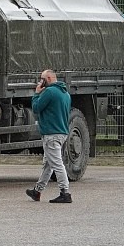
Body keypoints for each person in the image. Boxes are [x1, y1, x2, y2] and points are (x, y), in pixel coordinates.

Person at [27, 69, 72, 203]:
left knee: (57, 164)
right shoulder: (66, 94)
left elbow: (36, 108)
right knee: (48, 164)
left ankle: (65, 193)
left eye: (42, 79)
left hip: (51, 134)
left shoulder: (50, 92)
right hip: (62, 132)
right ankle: (37, 191)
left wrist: (36, 93)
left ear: (49, 78)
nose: (41, 82)